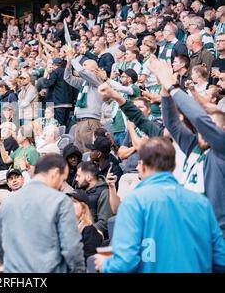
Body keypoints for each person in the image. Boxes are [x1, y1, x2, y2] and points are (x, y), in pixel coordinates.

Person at [95, 137, 225, 273]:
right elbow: (220, 259)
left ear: (142, 166)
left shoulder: (134, 203)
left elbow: (125, 263)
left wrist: (106, 264)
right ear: (174, 166)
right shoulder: (201, 203)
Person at [148, 57, 225, 234]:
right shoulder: (195, 146)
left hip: (216, 232)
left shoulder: (221, 148)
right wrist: (165, 89)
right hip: (190, 226)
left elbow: (198, 117)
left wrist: (172, 86)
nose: (202, 131)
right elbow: (172, 123)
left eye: (209, 127)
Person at [0, 153, 86, 273]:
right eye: (63, 180)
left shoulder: (7, 203)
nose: (61, 185)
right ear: (54, 173)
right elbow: (72, 249)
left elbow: (0, 249)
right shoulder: (60, 201)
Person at [75, 161, 113, 238]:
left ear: (88, 177)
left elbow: (104, 223)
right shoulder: (81, 190)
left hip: (95, 239)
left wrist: (84, 231)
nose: (76, 179)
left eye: (79, 176)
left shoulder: (104, 192)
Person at [67, 190, 103, 259]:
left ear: (83, 208)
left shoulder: (89, 231)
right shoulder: (65, 230)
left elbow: (89, 261)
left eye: (74, 202)